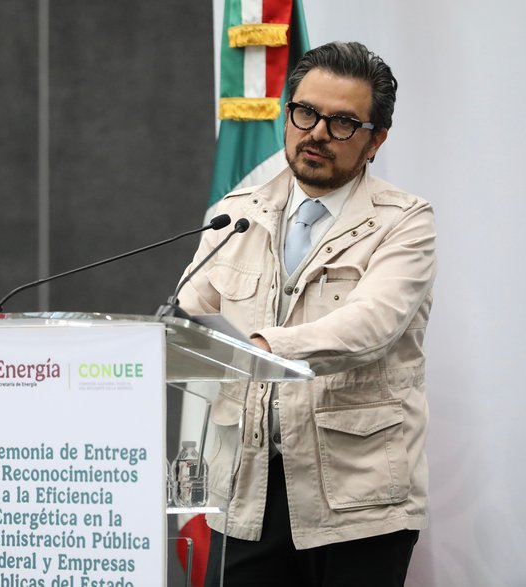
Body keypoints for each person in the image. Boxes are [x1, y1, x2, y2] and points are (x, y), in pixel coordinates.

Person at [176, 41, 436, 586]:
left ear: (375, 140)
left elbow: (371, 326)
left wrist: (264, 349)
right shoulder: (235, 214)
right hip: (246, 488)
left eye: (342, 122)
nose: (316, 132)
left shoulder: (405, 222)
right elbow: (188, 322)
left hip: (357, 498)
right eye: (305, 112)